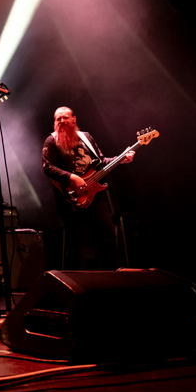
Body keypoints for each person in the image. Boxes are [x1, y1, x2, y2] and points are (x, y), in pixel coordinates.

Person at [42, 106, 132, 270]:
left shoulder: (86, 137)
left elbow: (101, 161)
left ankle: (111, 275)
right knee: (75, 242)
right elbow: (47, 167)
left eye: (65, 117)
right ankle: (79, 283)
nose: (62, 121)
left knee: (108, 236)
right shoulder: (51, 140)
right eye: (58, 119)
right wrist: (72, 177)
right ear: (55, 122)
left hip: (95, 196)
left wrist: (120, 159)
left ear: (73, 119)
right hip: (69, 199)